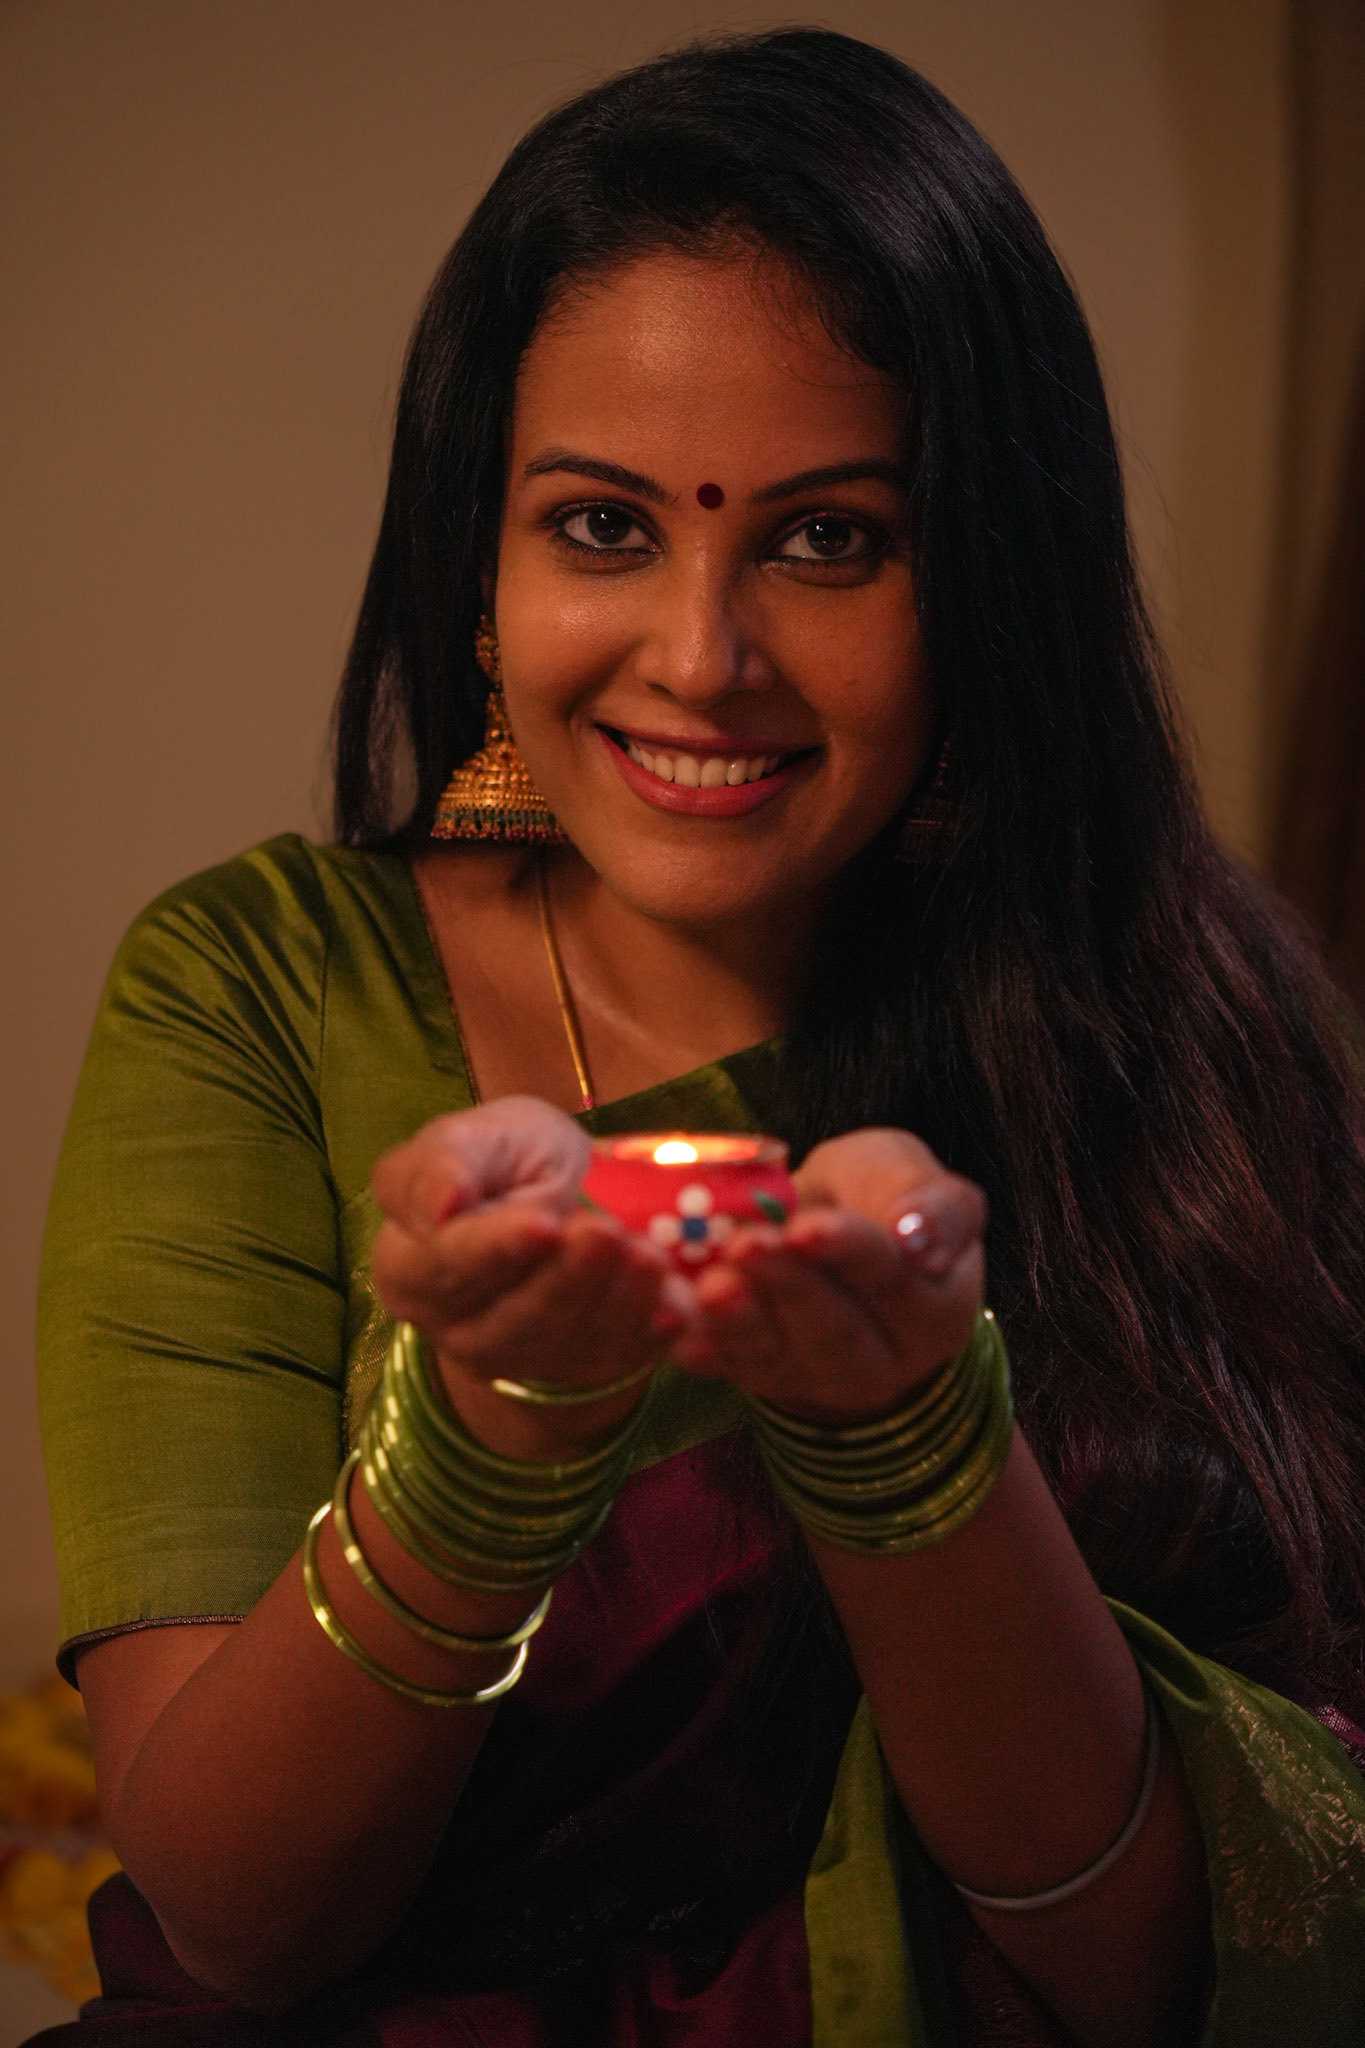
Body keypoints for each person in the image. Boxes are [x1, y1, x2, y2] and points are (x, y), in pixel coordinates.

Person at [33, 28, 1365, 2048]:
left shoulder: (1203, 1044)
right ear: (479, 566)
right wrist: (490, 1429)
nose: (699, 656)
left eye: (827, 539)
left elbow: (1147, 1973)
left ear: (985, 582)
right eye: (602, 526)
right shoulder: (258, 995)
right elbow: (236, 1919)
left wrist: (906, 1432)